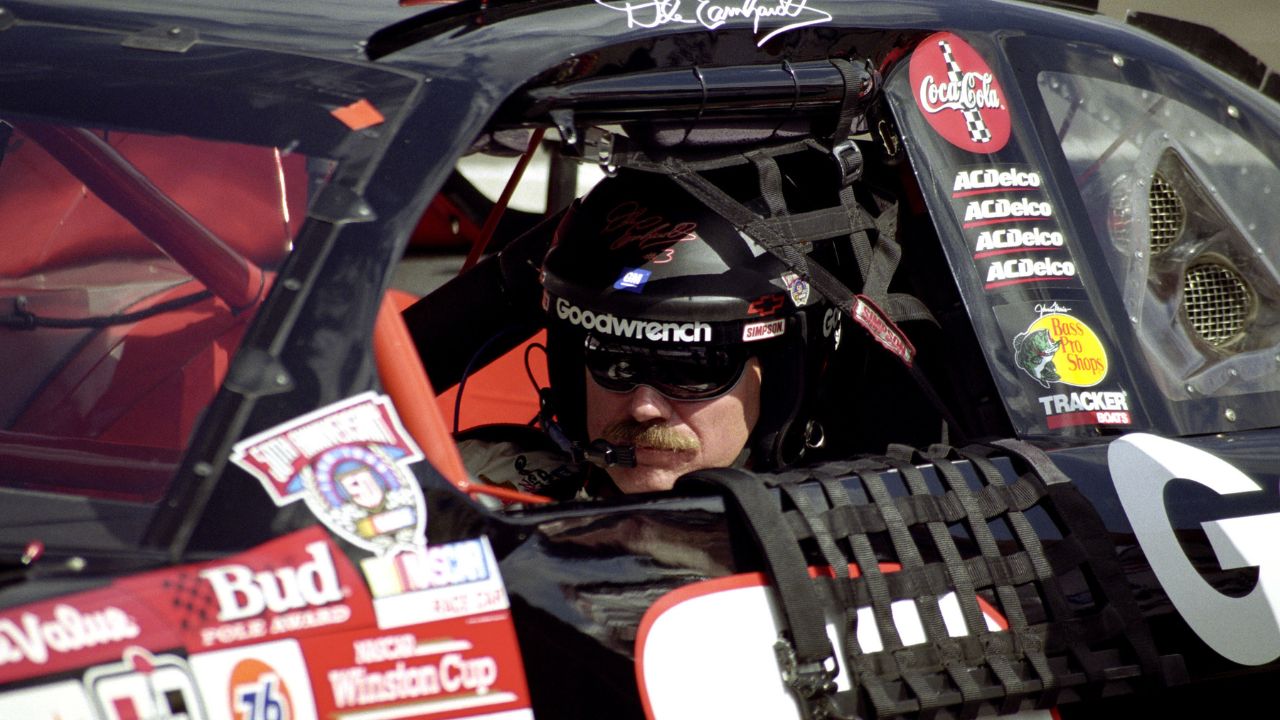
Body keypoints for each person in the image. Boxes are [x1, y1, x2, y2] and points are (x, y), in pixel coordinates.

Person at [458, 168, 841, 499]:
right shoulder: (479, 488)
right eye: (615, 362)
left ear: (779, 382)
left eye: (693, 369)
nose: (644, 408)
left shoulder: (859, 548)